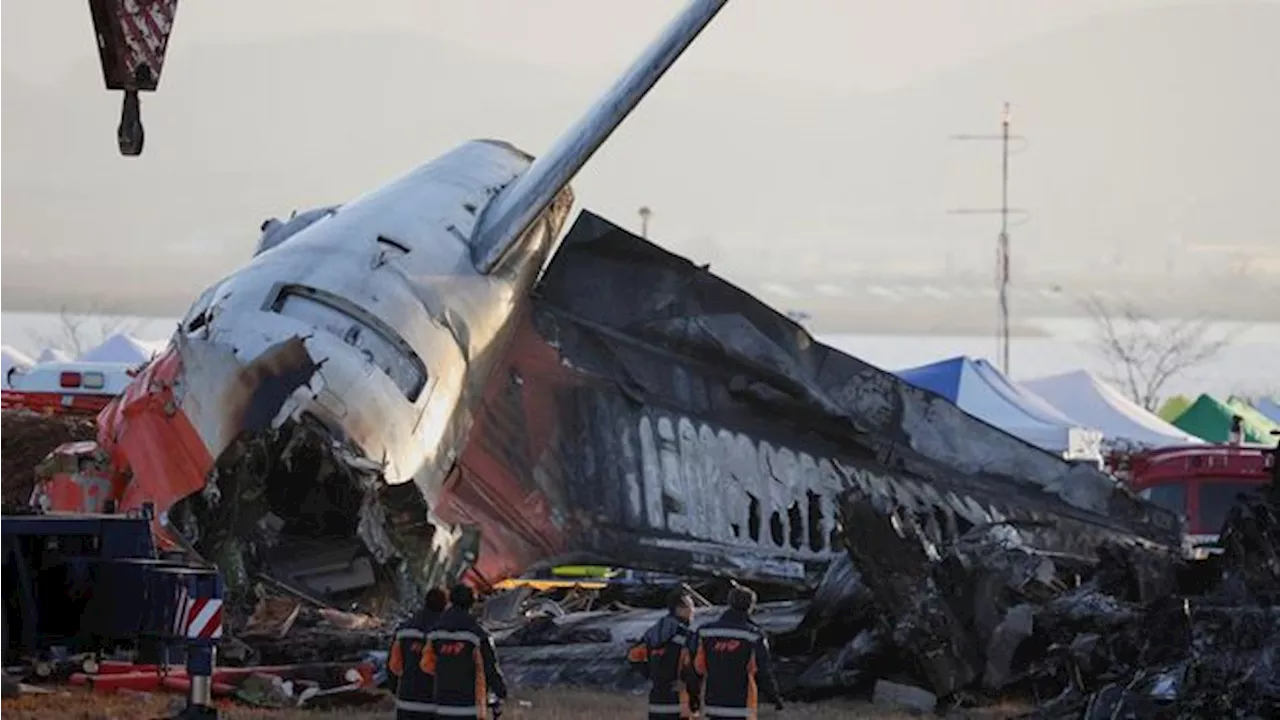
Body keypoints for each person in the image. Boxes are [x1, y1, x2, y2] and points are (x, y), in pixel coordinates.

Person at [692, 585, 783, 719]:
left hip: (713, 704)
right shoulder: (754, 635)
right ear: (751, 606)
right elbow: (762, 671)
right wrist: (774, 697)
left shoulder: (705, 632)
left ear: (729, 603)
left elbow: (698, 668)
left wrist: (693, 698)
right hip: (743, 706)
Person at [420, 584, 508, 719]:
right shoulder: (477, 634)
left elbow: (426, 664)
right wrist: (501, 692)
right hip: (469, 707)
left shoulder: (435, 633)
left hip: (442, 706)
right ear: (471, 603)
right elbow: (489, 667)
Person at [628, 589, 702, 719]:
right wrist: (695, 699)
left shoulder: (652, 634)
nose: (693, 611)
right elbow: (692, 670)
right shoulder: (687, 637)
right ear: (679, 609)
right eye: (691, 606)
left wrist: (652, 674)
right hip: (680, 702)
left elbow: (633, 656)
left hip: (656, 700)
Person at [389, 587, 448, 719]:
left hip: (407, 703)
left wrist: (395, 689)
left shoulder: (403, 630)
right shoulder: (448, 633)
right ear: (445, 604)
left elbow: (393, 666)